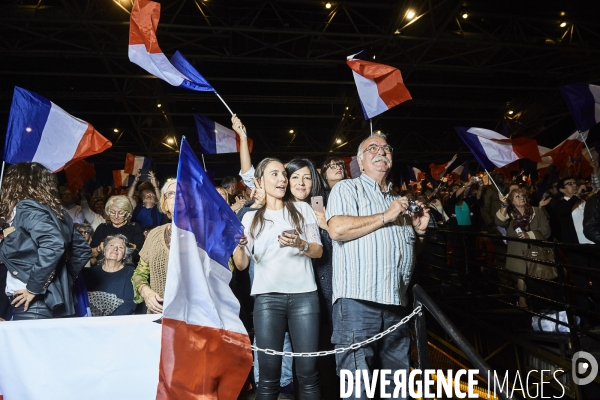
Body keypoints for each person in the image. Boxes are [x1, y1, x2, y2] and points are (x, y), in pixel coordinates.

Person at [326, 135, 430, 400]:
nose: (381, 151)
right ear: (360, 161)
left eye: (386, 148)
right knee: (357, 389)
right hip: (358, 305)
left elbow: (408, 253)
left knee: (398, 388)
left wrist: (418, 233)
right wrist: (386, 216)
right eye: (372, 148)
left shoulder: (399, 201)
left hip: (396, 306)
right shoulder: (347, 189)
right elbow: (336, 230)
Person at [233, 157, 323, 400]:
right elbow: (241, 265)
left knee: (308, 374)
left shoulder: (302, 209)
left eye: (284, 174)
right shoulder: (250, 218)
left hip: (305, 298)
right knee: (269, 377)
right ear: (260, 181)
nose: (283, 179)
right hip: (267, 301)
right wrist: (240, 246)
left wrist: (300, 243)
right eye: (275, 174)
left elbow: (318, 250)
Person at [0, 162, 91, 320]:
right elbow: (83, 250)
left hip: (33, 302)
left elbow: (53, 244)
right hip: (45, 300)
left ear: (15, 183)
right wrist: (61, 280)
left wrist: (34, 288)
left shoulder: (26, 208)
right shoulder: (58, 212)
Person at [495, 188, 551, 308]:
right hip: (518, 249)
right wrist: (504, 205)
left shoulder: (536, 211)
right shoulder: (508, 213)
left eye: (523, 195)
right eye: (517, 197)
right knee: (522, 274)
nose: (521, 198)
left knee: (535, 276)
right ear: (511, 201)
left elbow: (546, 230)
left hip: (536, 249)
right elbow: (499, 222)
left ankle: (538, 303)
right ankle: (523, 298)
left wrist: (529, 235)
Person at [132, 180, 176, 314]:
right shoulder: (155, 234)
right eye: (171, 194)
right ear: (165, 204)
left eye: (184, 194)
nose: (178, 198)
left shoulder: (206, 234)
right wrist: (145, 291)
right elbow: (139, 274)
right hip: (160, 314)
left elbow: (225, 272)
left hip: (197, 319)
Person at [83, 235, 136, 316]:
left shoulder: (130, 272)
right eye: (111, 245)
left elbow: (130, 304)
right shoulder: (88, 273)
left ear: (125, 255)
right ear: (104, 251)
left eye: (121, 247)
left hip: (116, 323)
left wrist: (106, 322)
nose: (115, 249)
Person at [90, 195, 145, 265]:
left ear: (127, 214)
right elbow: (90, 253)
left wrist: (126, 246)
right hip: (103, 267)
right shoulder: (102, 227)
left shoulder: (134, 227)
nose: (116, 216)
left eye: (120, 213)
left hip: (127, 267)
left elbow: (141, 251)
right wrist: (99, 248)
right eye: (112, 212)